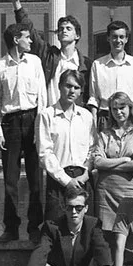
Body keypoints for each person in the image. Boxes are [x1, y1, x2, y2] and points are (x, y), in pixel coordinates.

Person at [0, 22, 46, 243]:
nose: (30, 41)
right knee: (10, 180)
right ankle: (11, 228)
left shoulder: (35, 62)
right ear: (15, 40)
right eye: (27, 37)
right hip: (10, 124)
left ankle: (35, 227)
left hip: (32, 121)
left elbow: (42, 95)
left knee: (35, 179)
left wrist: (40, 127)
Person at [18, 189, 114, 266]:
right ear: (64, 207)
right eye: (70, 207)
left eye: (79, 208)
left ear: (86, 208)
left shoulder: (93, 224)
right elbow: (40, 251)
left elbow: (102, 249)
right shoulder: (52, 227)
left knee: (100, 263)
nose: (74, 212)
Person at [9, 0, 92, 107]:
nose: (64, 31)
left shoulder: (86, 65)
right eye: (60, 29)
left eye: (68, 29)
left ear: (77, 35)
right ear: (57, 35)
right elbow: (30, 30)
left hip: (75, 117)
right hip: (50, 115)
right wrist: (16, 3)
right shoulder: (49, 56)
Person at [36, 70, 98, 222]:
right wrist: (66, 180)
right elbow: (45, 153)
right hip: (58, 179)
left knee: (86, 226)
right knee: (54, 226)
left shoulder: (86, 116)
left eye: (76, 87)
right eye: (68, 86)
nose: (72, 91)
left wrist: (85, 173)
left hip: (83, 178)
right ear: (59, 86)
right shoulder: (46, 115)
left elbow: (93, 148)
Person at [93, 92, 133, 243]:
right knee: (106, 236)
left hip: (128, 191)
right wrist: (124, 159)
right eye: (114, 109)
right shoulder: (104, 134)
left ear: (130, 107)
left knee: (129, 233)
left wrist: (109, 164)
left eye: (122, 107)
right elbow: (98, 162)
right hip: (105, 193)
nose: (118, 112)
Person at [88, 21, 133, 130]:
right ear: (108, 38)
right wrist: (94, 123)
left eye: (121, 37)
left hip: (129, 118)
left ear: (126, 39)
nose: (118, 41)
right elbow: (93, 97)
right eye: (114, 37)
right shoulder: (98, 65)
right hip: (105, 118)